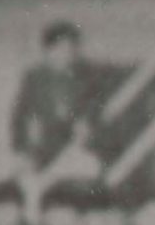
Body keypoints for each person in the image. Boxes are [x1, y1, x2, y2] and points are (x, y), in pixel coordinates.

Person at [10, 19, 100, 174]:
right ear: (48, 51)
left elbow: (93, 110)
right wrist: (23, 148)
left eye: (72, 49)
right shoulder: (34, 78)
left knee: (90, 169)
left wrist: (86, 124)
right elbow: (19, 117)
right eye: (62, 49)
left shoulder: (86, 78)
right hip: (43, 148)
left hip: (75, 148)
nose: (68, 54)